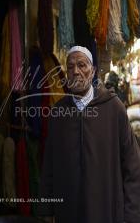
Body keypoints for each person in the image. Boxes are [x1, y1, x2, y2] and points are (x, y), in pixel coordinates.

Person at [37, 46, 140, 223]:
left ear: (92, 72)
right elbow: (49, 167)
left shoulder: (114, 109)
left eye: (81, 65)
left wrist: (132, 216)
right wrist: (46, 210)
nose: (76, 71)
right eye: (70, 67)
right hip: (68, 213)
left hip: (107, 213)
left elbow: (133, 167)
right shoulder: (58, 113)